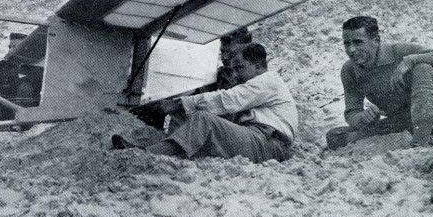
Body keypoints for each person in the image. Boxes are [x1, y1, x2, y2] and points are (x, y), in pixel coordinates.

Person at [113, 43, 298, 163]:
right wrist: (183, 106)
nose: (235, 75)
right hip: (258, 141)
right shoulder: (259, 85)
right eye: (233, 70)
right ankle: (167, 150)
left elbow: (229, 100)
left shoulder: (268, 81)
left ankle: (149, 153)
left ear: (258, 66)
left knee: (203, 118)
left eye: (240, 68)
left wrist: (180, 102)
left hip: (269, 144)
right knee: (191, 112)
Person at [326, 16, 433, 149]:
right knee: (335, 136)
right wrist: (363, 118)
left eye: (358, 42)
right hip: (401, 125)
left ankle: (421, 142)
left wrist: (411, 61)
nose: (351, 49)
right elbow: (351, 112)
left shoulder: (400, 52)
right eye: (347, 43)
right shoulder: (350, 70)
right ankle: (416, 141)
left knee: (422, 68)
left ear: (376, 41)